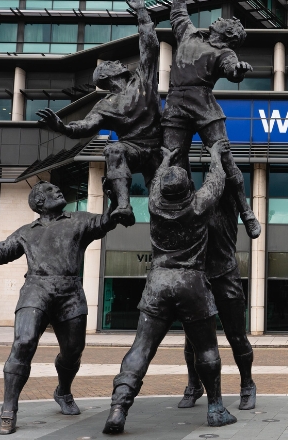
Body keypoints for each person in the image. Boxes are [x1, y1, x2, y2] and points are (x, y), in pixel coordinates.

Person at [0, 182, 120, 435]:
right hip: (36, 288)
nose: (58, 190)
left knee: (73, 351)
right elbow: (3, 250)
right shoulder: (26, 231)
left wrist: (115, 200)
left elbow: (106, 222)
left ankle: (63, 391)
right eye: (50, 190)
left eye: (58, 188)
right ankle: (8, 410)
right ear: (39, 203)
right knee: (23, 343)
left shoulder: (78, 220)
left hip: (70, 291)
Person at [103, 141, 237, 434]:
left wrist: (165, 160)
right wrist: (215, 154)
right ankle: (215, 408)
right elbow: (217, 179)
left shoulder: (154, 204)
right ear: (189, 187)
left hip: (159, 283)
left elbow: (155, 183)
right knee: (206, 348)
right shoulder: (199, 205)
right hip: (193, 284)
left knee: (141, 348)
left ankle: (118, 408)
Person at [37, 0, 161, 227]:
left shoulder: (143, 79)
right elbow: (84, 126)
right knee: (114, 150)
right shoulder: (105, 105)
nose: (118, 62)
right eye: (113, 63)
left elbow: (151, 45)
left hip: (161, 148)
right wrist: (62, 127)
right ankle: (124, 206)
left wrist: (142, 12)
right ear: (109, 75)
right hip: (134, 151)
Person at [161, 0, 261, 240]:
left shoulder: (225, 54)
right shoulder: (189, 35)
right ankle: (181, 214)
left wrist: (239, 71)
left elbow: (232, 71)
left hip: (204, 106)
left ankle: (246, 211)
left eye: (223, 21)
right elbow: (178, 10)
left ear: (228, 33)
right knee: (171, 160)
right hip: (176, 106)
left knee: (226, 158)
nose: (218, 19)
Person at [177, 176, 255, 410]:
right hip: (199, 280)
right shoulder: (187, 210)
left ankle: (247, 384)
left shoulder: (226, 202)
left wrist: (216, 151)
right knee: (192, 341)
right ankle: (194, 385)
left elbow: (233, 176)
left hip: (226, 276)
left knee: (237, 336)